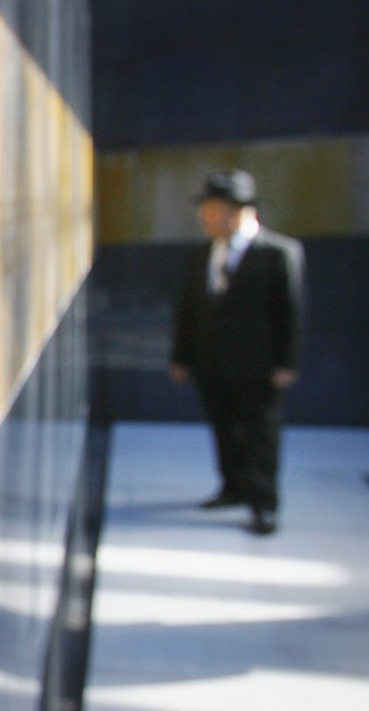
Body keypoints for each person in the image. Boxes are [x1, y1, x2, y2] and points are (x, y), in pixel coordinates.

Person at [169, 170, 304, 535]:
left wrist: (285, 362)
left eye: (215, 210)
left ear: (239, 211)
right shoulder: (203, 256)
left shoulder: (277, 253)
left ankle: (263, 503)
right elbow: (189, 310)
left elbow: (289, 312)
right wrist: (181, 357)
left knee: (260, 433)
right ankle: (232, 487)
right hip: (210, 362)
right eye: (206, 210)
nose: (207, 218)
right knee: (223, 427)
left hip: (257, 365)